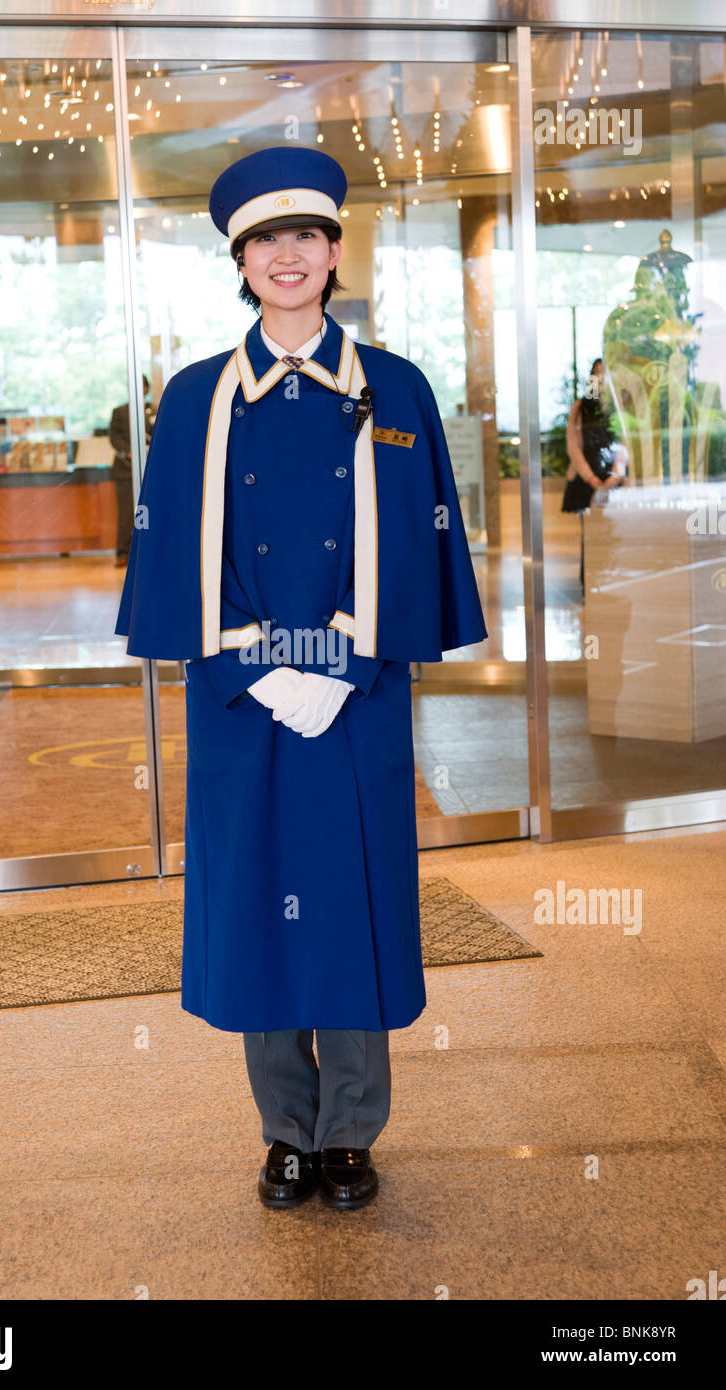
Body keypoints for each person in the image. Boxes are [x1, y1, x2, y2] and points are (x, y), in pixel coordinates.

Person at [115, 145, 487, 1211]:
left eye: (309, 236)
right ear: (242, 260)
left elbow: (417, 546)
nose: (291, 255)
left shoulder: (396, 386)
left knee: (353, 899)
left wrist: (345, 660)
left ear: (333, 252)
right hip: (242, 700)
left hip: (355, 697)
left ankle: (350, 1134)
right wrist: (259, 664)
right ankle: (284, 1127)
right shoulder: (193, 398)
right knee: (258, 907)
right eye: (267, 240)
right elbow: (177, 549)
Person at [562, 358, 627, 586]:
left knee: (613, 532)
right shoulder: (581, 407)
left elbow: (625, 443)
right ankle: (589, 582)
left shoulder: (619, 406)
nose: (601, 379)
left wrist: (615, 476)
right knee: (590, 534)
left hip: (613, 481)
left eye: (605, 373)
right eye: (597, 374)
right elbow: (573, 445)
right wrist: (591, 478)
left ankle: (611, 578)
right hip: (585, 480)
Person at [109, 375, 155, 568]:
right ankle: (123, 552)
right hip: (126, 472)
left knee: (147, 512)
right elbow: (114, 438)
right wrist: (129, 452)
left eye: (142, 386)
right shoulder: (119, 412)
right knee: (128, 514)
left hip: (151, 470)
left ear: (146, 388)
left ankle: (148, 550)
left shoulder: (154, 409)